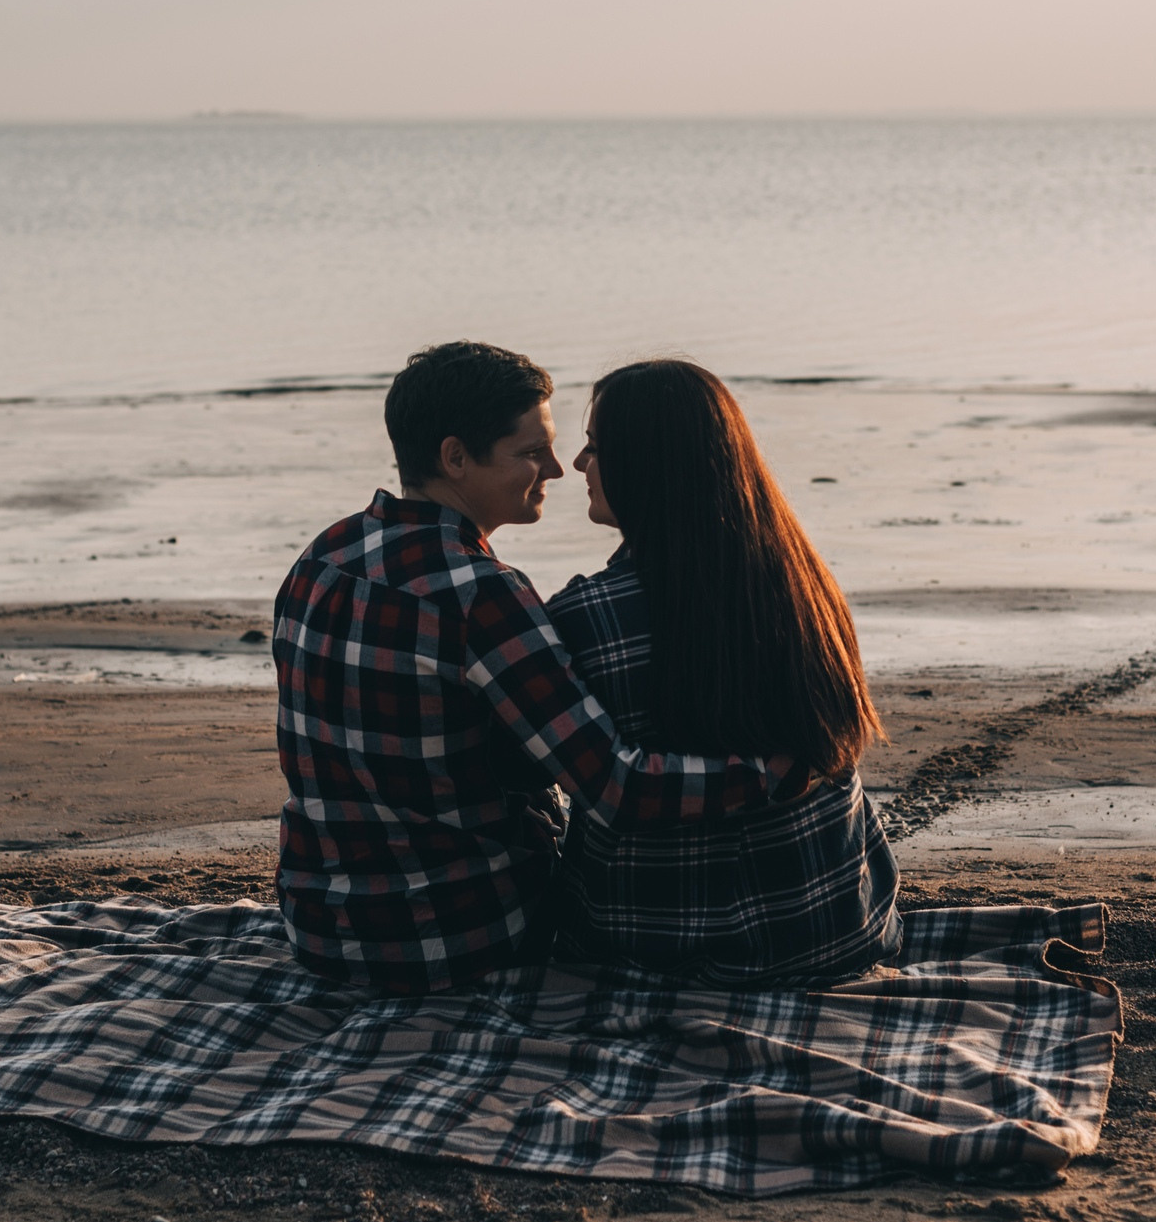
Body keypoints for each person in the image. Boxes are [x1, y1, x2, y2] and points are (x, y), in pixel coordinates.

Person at [270, 341, 796, 992]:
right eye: (530, 451)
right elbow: (615, 789)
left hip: (319, 926)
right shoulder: (482, 594)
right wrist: (767, 773)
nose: (556, 467)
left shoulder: (322, 556)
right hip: (459, 937)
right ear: (455, 457)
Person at [545, 359, 901, 985]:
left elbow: (591, 786)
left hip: (652, 951)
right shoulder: (806, 586)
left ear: (645, 465)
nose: (578, 464)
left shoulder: (584, 619)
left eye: (596, 447)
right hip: (839, 927)